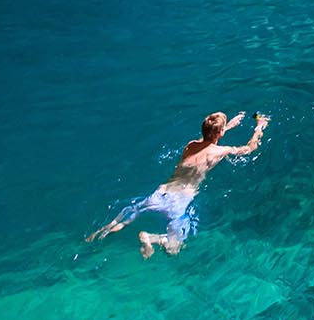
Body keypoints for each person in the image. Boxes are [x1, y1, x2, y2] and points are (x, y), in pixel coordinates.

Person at [88, 110, 270, 258]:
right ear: (220, 133)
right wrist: (259, 127)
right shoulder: (220, 151)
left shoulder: (190, 145)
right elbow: (249, 148)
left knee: (129, 213)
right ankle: (150, 238)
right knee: (174, 248)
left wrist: (227, 126)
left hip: (161, 193)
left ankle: (100, 232)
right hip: (180, 200)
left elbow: (206, 141)